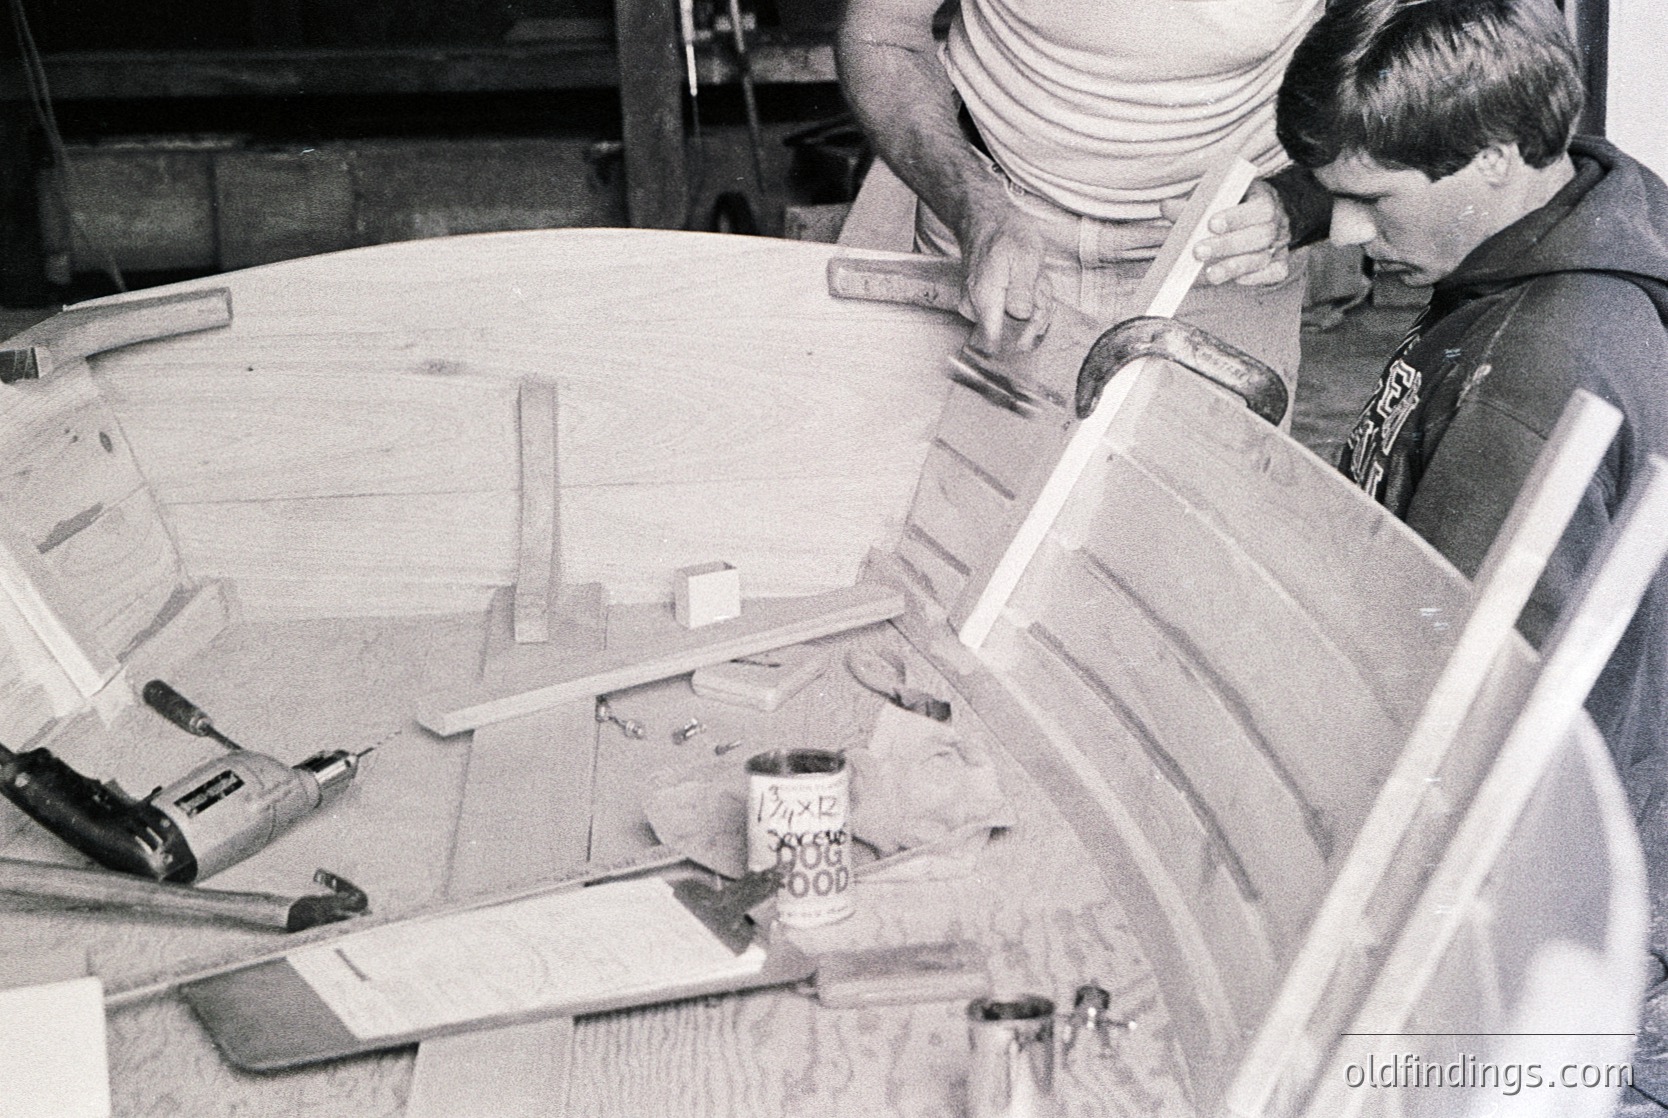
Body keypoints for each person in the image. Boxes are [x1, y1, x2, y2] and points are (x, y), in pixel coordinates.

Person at [1276, 0, 1668, 1106]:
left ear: (1494, 158)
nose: (1344, 233)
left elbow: (1459, 714)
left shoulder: (1539, 369)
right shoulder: (1570, 227)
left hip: (1557, 935)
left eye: (1370, 196)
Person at [834, 0, 1329, 395]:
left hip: (1224, 250)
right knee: (963, 496)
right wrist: (975, 210)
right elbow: (884, 33)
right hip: (995, 224)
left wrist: (1294, 207)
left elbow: (1394, 80)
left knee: (1198, 504)